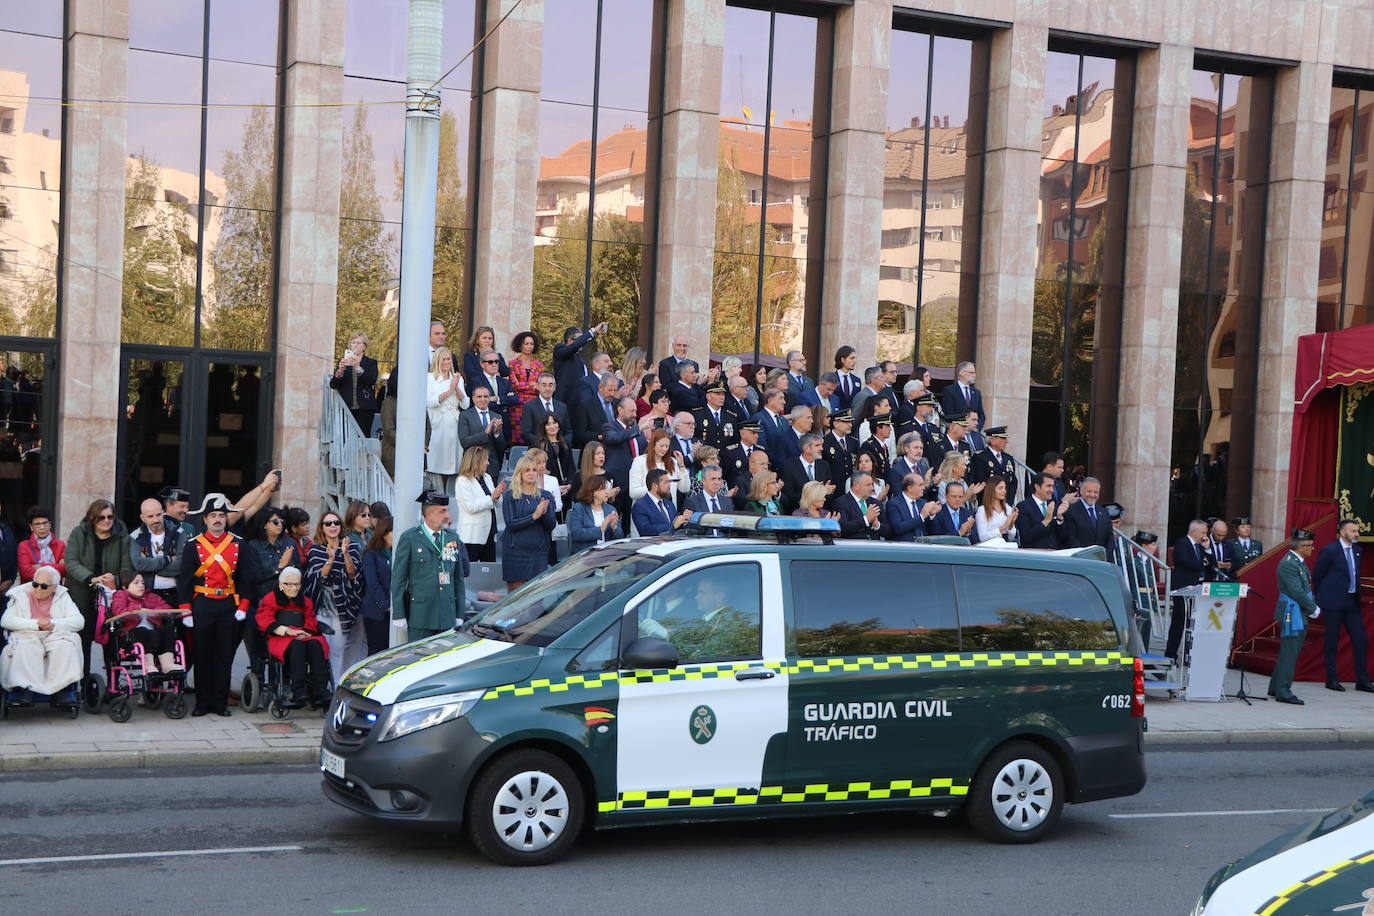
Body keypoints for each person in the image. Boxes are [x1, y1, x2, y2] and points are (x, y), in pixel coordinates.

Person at [176, 494, 248, 716]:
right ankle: (202, 703)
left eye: (221, 515)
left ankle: (219, 703)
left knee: (224, 655)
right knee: (202, 655)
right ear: (205, 519)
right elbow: (185, 581)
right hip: (202, 605)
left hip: (228, 604)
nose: (218, 520)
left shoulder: (239, 544)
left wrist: (243, 606)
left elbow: (246, 578)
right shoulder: (192, 546)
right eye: (213, 516)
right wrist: (186, 609)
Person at [66, 498, 133, 675]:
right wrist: (91, 578)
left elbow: (127, 566)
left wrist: (114, 580)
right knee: (83, 638)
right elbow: (71, 562)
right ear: (92, 518)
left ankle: (113, 685)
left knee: (112, 638)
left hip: (110, 594)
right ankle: (82, 681)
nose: (106, 521)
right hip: (81, 591)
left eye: (110, 517)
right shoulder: (79, 533)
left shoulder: (122, 537)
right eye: (101, 517)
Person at [0, 566, 83, 705]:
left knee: (64, 646)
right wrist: (36, 624)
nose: (38, 588)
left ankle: (59, 690)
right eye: (35, 584)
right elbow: (6, 620)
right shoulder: (20, 594)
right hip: (28, 633)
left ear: (54, 588)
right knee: (27, 647)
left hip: (55, 633)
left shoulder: (63, 596)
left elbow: (79, 621)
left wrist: (52, 623)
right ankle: (28, 689)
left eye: (43, 586)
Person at [391, 491, 467, 640]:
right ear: (430, 515)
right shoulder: (410, 538)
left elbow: (458, 579)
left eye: (447, 510)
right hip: (421, 615)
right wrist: (399, 614)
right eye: (443, 511)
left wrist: (459, 613)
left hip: (447, 613)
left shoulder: (453, 538)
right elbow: (398, 579)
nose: (448, 515)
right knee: (419, 659)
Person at [256, 566, 331, 708]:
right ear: (280, 584)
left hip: (303, 634)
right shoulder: (271, 598)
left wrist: (305, 631)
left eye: (297, 584)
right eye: (289, 584)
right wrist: (286, 631)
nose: (294, 588)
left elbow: (311, 619)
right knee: (297, 647)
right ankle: (298, 690)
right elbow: (264, 619)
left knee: (316, 645)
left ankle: (320, 689)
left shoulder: (305, 600)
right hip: (280, 637)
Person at [306, 509, 365, 683]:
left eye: (336, 523)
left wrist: (345, 553)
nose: (333, 526)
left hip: (343, 605)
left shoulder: (352, 547)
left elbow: (353, 575)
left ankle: (336, 688)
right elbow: (319, 577)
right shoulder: (316, 550)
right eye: (328, 523)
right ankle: (322, 688)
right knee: (323, 650)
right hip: (322, 605)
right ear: (322, 528)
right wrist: (330, 559)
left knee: (338, 650)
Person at [1315, 518, 1372, 692]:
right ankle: (1331, 679)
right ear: (1342, 532)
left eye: (1357, 530)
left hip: (1351, 601)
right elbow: (1317, 575)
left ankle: (1362, 680)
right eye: (1353, 530)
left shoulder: (1358, 551)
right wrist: (1320, 598)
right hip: (1333, 602)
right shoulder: (1329, 550)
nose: (1357, 534)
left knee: (1360, 639)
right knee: (1332, 641)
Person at [1262, 528, 1314, 705]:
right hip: (1292, 611)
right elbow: (1296, 591)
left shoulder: (1298, 561)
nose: (1313, 548)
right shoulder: (1289, 563)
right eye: (1310, 545)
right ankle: (1284, 691)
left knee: (1289, 651)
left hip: (1298, 610)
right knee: (1290, 653)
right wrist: (1313, 608)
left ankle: (1275, 686)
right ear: (1301, 546)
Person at [109, 571, 182, 676]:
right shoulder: (121, 595)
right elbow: (118, 611)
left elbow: (168, 609)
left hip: (155, 633)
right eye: (136, 583)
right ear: (125, 586)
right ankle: (149, 664)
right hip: (132, 636)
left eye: (142, 583)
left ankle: (168, 663)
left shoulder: (151, 596)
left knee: (168, 629)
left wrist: (155, 612)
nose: (141, 586)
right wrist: (138, 609)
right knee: (144, 632)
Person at [500, 455, 557, 590]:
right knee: (515, 598)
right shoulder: (510, 495)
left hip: (538, 552)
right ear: (520, 473)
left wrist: (543, 513)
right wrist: (535, 515)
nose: (531, 473)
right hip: (515, 552)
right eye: (527, 470)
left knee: (536, 598)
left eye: (534, 470)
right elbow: (511, 524)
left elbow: (551, 525)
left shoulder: (546, 495)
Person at [425, 346, 469, 495]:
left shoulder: (457, 378)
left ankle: (451, 495)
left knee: (453, 462)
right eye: (443, 359)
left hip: (453, 423)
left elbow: (466, 404)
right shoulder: (429, 378)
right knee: (436, 461)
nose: (446, 362)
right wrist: (449, 391)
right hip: (437, 423)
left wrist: (456, 387)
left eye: (448, 359)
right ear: (437, 360)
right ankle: (437, 493)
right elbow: (429, 402)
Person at [1165, 519, 1210, 661]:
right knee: (1179, 621)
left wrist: (1208, 549)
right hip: (1182, 588)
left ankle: (1189, 655)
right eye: (1203, 532)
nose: (1205, 535)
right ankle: (1171, 653)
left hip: (1197, 588)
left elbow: (1211, 563)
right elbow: (1185, 562)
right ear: (1194, 531)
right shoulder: (1182, 543)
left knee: (1193, 622)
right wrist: (1202, 563)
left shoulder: (1201, 546)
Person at [130, 496, 186, 608]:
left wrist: (152, 569)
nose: (155, 520)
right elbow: (137, 563)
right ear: (142, 518)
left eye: (158, 515)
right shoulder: (136, 536)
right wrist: (168, 559)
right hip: (148, 594)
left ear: (163, 513)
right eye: (150, 516)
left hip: (177, 593)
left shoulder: (178, 532)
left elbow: (182, 563)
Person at [454, 444, 507, 563]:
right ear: (476, 461)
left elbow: (497, 503)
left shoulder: (487, 477)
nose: (488, 463)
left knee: (488, 569)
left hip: (489, 532)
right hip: (472, 536)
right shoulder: (463, 481)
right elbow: (470, 507)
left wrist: (498, 495)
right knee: (469, 572)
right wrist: (492, 497)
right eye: (485, 460)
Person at [330, 331, 379, 436]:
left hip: (365, 408)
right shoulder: (344, 361)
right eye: (353, 342)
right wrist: (340, 370)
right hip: (345, 407)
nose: (355, 345)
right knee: (344, 437)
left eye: (359, 343)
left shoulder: (371, 363)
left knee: (362, 437)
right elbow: (333, 385)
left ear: (364, 346)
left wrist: (357, 367)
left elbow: (371, 380)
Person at [458, 385, 508, 481]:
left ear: (489, 398)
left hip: (491, 466)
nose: (483, 399)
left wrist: (497, 434)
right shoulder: (465, 415)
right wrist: (485, 433)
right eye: (479, 396)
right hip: (471, 465)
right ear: (473, 398)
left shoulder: (496, 416)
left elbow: (501, 447)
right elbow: (464, 442)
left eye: (486, 396)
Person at [360, 516, 394, 656]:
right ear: (384, 533)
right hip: (377, 611)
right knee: (377, 650)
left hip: (394, 611)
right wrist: (386, 605)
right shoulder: (371, 554)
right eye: (394, 532)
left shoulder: (397, 553)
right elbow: (373, 583)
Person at [630, 428, 690, 503]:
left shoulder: (673, 462)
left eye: (667, 446)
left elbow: (685, 488)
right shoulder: (639, 461)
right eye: (661, 446)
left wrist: (681, 465)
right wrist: (657, 487)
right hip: (646, 510)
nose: (664, 449)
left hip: (669, 510)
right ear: (653, 444)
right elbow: (633, 493)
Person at [779, 433, 833, 514]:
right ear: (807, 448)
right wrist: (817, 493)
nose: (821, 448)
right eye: (817, 445)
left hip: (820, 514)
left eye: (821, 445)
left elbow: (829, 493)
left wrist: (827, 492)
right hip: (797, 514)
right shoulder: (789, 466)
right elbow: (788, 496)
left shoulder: (824, 465)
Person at [507, 331, 543, 445]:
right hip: (517, 405)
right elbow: (514, 385)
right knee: (517, 438)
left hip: (534, 404)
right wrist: (532, 385)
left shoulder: (539, 365)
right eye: (526, 343)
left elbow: (540, 387)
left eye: (531, 344)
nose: (529, 346)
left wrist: (530, 386)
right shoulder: (512, 363)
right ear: (520, 345)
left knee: (533, 436)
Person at [536, 413, 577, 513]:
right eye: (548, 424)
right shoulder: (538, 444)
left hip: (566, 489)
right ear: (544, 427)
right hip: (548, 488)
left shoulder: (566, 443)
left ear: (559, 425)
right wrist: (556, 487)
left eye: (554, 423)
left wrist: (570, 485)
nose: (552, 426)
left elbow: (571, 466)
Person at [568, 475, 620, 554]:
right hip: (584, 556)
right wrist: (601, 529)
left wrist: (614, 528)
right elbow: (576, 534)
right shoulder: (579, 508)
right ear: (593, 491)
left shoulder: (611, 509)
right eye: (603, 489)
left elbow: (620, 538)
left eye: (607, 488)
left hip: (606, 556)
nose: (607, 492)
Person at [1015, 472, 1068, 549]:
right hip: (1034, 556)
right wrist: (1046, 521)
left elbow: (1064, 537)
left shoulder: (1054, 505)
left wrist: (1060, 518)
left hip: (1055, 554)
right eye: (1048, 486)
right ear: (1037, 487)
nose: (1052, 490)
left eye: (1053, 486)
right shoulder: (1023, 506)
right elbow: (1026, 538)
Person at [633, 468, 694, 534]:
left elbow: (677, 526)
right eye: (666, 482)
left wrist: (684, 519)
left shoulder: (669, 504)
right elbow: (645, 530)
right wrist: (672, 526)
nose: (669, 485)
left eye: (669, 482)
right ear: (655, 485)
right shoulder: (640, 506)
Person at [552, 322, 606, 397]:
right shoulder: (560, 350)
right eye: (580, 339)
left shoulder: (579, 358)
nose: (582, 343)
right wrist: (592, 331)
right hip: (565, 400)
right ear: (570, 340)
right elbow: (572, 348)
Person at [883, 473, 940, 542]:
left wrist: (931, 515)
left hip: (924, 546)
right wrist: (921, 517)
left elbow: (932, 531)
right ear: (909, 488)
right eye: (920, 485)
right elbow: (898, 529)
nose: (924, 487)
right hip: (904, 547)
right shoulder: (894, 504)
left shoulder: (923, 503)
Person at [519, 372, 571, 447]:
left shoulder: (562, 407)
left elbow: (568, 431)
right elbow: (526, 433)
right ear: (538, 386)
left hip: (560, 450)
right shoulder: (529, 406)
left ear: (555, 387)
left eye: (550, 385)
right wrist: (544, 444)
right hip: (538, 451)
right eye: (544, 385)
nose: (547, 388)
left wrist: (562, 443)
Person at [1059, 476, 1112, 549]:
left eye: (1095, 492)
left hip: (1101, 559)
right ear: (1081, 491)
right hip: (1080, 558)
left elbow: (1110, 540)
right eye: (1089, 491)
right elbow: (1070, 538)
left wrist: (1105, 557)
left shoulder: (1104, 513)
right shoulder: (1071, 511)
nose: (1092, 495)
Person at [969, 425, 1018, 503]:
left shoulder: (1008, 458)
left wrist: (1008, 503)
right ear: (992, 440)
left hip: (1005, 504)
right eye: (1003, 438)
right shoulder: (980, 457)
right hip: (988, 504)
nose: (1006, 441)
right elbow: (980, 481)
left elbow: (1013, 482)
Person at [17, 506, 65, 584]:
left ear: (49, 524)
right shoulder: (24, 546)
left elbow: (65, 569)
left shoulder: (60, 545)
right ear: (31, 527)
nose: (42, 527)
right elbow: (25, 572)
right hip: (31, 590)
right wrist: (55, 567)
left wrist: (40, 566)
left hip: (54, 590)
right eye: (37, 524)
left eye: (45, 523)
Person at [574, 372, 621, 448]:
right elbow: (580, 433)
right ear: (600, 387)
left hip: (615, 450)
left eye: (615, 390)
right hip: (594, 451)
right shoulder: (586, 405)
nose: (612, 394)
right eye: (609, 390)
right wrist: (600, 436)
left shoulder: (617, 404)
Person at [692, 383, 741, 451]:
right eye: (718, 394)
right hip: (706, 456)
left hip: (726, 457)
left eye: (723, 394)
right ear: (708, 396)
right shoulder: (697, 415)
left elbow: (735, 440)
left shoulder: (731, 416)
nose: (722, 397)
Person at [974, 476, 1020, 547]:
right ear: (991, 490)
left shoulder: (1008, 508)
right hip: (989, 547)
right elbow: (982, 537)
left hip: (1005, 545)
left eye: (1005, 488)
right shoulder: (982, 510)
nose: (1004, 491)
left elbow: (1011, 538)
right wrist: (1003, 527)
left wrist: (1011, 523)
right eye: (1000, 488)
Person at [837, 471, 883, 540]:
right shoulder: (841, 503)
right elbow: (843, 528)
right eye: (868, 485)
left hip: (875, 548)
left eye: (872, 484)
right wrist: (866, 519)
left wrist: (877, 525)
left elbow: (889, 531)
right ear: (856, 486)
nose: (872, 488)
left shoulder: (876, 503)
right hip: (854, 548)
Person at [941, 360, 985, 430]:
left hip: (973, 433)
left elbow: (981, 415)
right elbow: (949, 413)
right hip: (957, 431)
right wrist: (964, 426)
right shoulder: (949, 390)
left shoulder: (976, 393)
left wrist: (976, 429)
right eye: (972, 372)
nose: (974, 375)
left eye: (974, 373)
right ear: (962, 373)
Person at [833, 346, 862, 410]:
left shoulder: (856, 380)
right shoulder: (832, 378)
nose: (854, 361)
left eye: (855, 358)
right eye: (852, 358)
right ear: (843, 360)